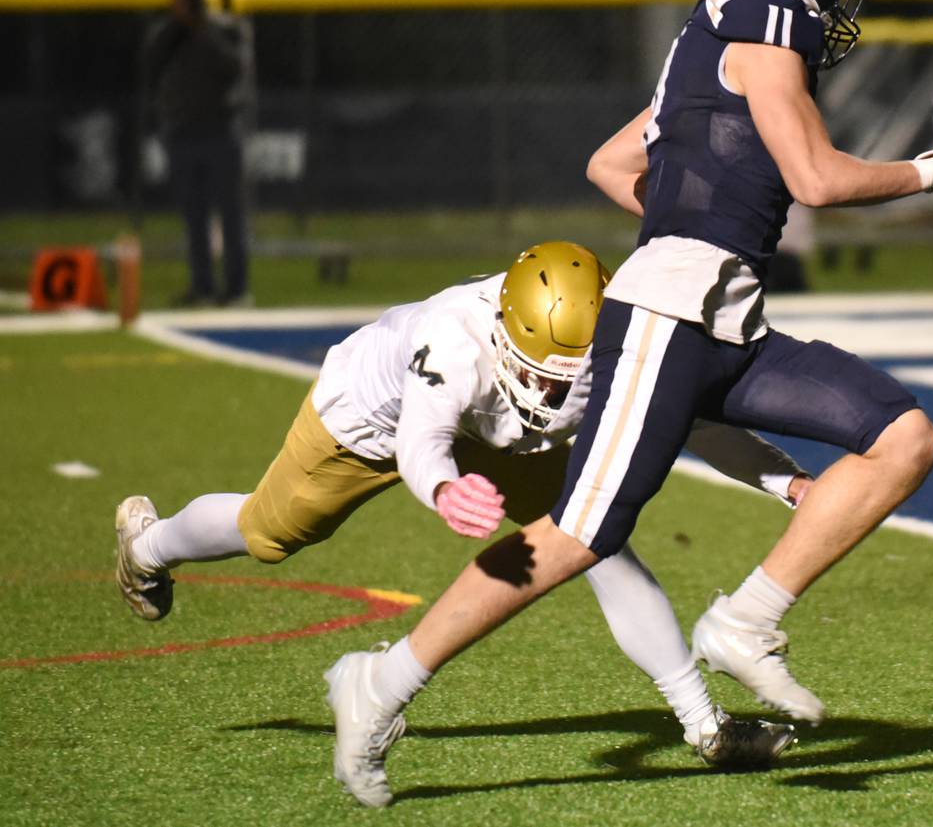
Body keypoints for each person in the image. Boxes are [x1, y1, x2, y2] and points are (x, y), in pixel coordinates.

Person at [323, 0, 933, 807]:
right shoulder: (772, 9)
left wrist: (698, 217)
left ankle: (746, 622)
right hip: (671, 315)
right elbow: (813, 177)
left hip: (724, 316)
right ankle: (383, 679)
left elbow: (612, 166)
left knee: (906, 437)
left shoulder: (710, 30)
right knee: (577, 533)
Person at [114, 241, 809, 774]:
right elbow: (423, 435)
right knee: (267, 531)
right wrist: (445, 487)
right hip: (369, 422)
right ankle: (148, 546)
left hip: (496, 438)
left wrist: (788, 483)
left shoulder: (613, 341)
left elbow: (697, 420)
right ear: (507, 330)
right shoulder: (453, 336)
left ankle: (705, 724)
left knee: (596, 537)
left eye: (568, 375)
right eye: (537, 371)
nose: (551, 389)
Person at [140, 0, 255, 308]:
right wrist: (179, 26)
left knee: (230, 215)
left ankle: (236, 289)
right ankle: (202, 287)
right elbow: (149, 62)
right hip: (184, 135)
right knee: (194, 217)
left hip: (220, 133)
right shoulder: (168, 34)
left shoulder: (219, 29)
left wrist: (201, 27)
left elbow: (234, 66)